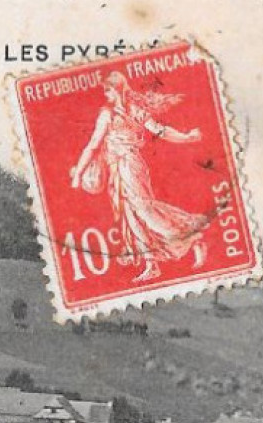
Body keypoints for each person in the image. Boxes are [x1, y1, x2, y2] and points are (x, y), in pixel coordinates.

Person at [70, 71, 209, 282]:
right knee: (132, 216)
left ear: (117, 89)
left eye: (108, 90)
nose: (106, 94)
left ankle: (191, 238)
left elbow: (160, 131)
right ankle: (151, 264)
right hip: (117, 169)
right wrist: (79, 172)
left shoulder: (126, 112)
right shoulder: (111, 114)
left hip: (130, 166)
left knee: (145, 211)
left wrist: (187, 137)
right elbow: (93, 145)